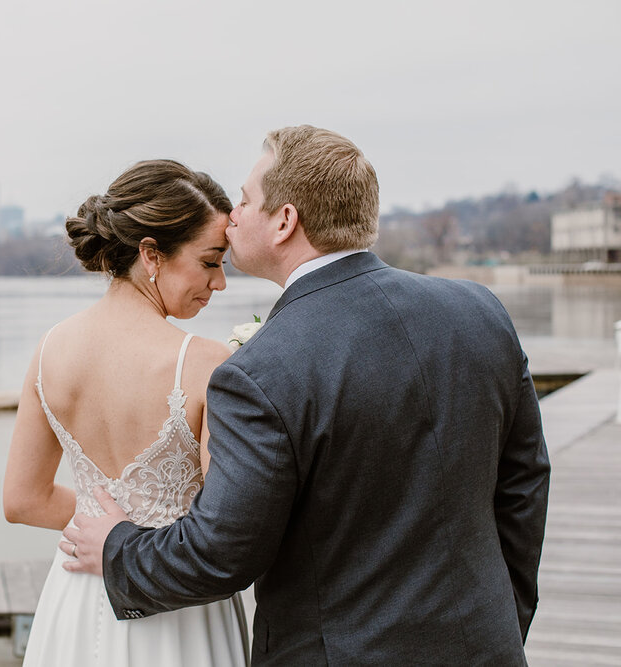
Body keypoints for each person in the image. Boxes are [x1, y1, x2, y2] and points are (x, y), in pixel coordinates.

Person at [64, 125, 551, 665]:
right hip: (487, 647)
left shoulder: (259, 371)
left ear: (285, 221)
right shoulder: (480, 312)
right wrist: (505, 617)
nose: (233, 216)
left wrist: (116, 548)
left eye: (246, 200)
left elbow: (222, 554)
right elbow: (523, 485)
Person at [3, 159, 250, 666]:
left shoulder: (50, 350)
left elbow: (23, 500)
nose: (220, 282)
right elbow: (228, 526)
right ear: (151, 254)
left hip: (76, 598)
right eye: (210, 261)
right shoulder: (203, 363)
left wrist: (106, 525)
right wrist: (138, 534)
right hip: (178, 611)